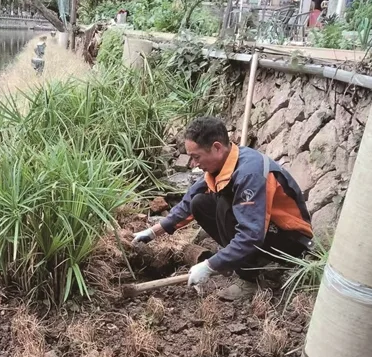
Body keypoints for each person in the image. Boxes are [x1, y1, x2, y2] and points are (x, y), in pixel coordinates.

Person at [133, 116, 313, 300]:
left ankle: (249, 279)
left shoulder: (250, 174)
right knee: (199, 203)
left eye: (196, 157)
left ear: (217, 148)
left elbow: (251, 235)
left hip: (290, 241)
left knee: (224, 206)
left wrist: (211, 265)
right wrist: (153, 232)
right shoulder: (225, 163)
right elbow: (191, 198)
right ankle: (255, 261)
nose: (193, 164)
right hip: (266, 232)